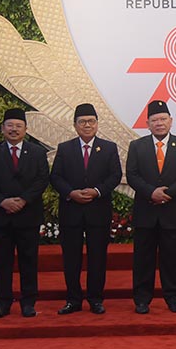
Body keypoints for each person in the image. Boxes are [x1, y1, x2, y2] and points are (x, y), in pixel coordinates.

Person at [49, 103, 122, 315]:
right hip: (71, 211)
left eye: (91, 121)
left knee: (97, 257)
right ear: (75, 125)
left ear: (97, 124)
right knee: (71, 257)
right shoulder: (65, 148)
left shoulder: (109, 148)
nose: (87, 125)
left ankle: (96, 299)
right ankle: (73, 299)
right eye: (82, 122)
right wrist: (71, 193)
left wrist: (97, 191)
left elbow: (115, 176)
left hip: (98, 210)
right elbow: (55, 177)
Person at [126, 100, 176, 314]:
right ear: (147, 124)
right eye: (154, 120)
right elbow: (132, 175)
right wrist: (151, 192)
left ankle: (173, 298)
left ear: (171, 121)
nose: (159, 124)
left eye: (163, 119)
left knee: (172, 258)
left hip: (171, 211)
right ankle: (141, 300)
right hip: (145, 211)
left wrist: (167, 193)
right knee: (143, 259)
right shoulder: (137, 146)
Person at [0, 108, 49, 319]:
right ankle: (2, 303)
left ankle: (28, 303)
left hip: (28, 215)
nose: (14, 129)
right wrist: (3, 201)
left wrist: (23, 200)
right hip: (1, 216)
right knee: (2, 262)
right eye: (10, 125)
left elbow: (42, 179)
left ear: (26, 129)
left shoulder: (37, 152)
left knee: (29, 261)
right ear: (2, 129)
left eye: (19, 126)